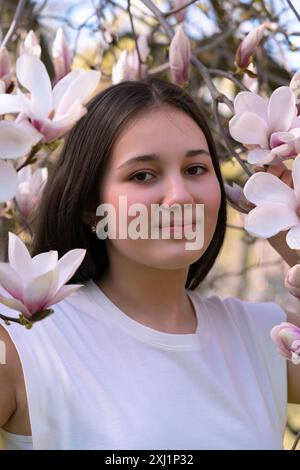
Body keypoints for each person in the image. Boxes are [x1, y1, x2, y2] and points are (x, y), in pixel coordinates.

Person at [0, 77, 299, 450]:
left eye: (195, 170)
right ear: (92, 207)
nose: (179, 197)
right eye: (142, 175)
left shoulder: (265, 336)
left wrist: (292, 231)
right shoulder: (21, 342)